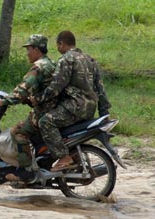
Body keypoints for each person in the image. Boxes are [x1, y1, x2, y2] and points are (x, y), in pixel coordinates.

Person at [30, 30, 111, 172]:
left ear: (61, 44)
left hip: (74, 107)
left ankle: (64, 157)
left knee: (46, 122)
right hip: (89, 110)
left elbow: (56, 87)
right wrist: (104, 111)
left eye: (57, 45)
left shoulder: (66, 59)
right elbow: (100, 89)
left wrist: (38, 99)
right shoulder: (89, 59)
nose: (57, 49)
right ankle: (73, 156)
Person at [0, 34, 56, 181]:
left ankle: (26, 171)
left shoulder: (38, 67)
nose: (27, 53)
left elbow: (23, 89)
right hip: (54, 109)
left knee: (18, 132)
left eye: (29, 49)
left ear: (36, 49)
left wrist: (4, 101)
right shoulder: (51, 63)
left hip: (44, 112)